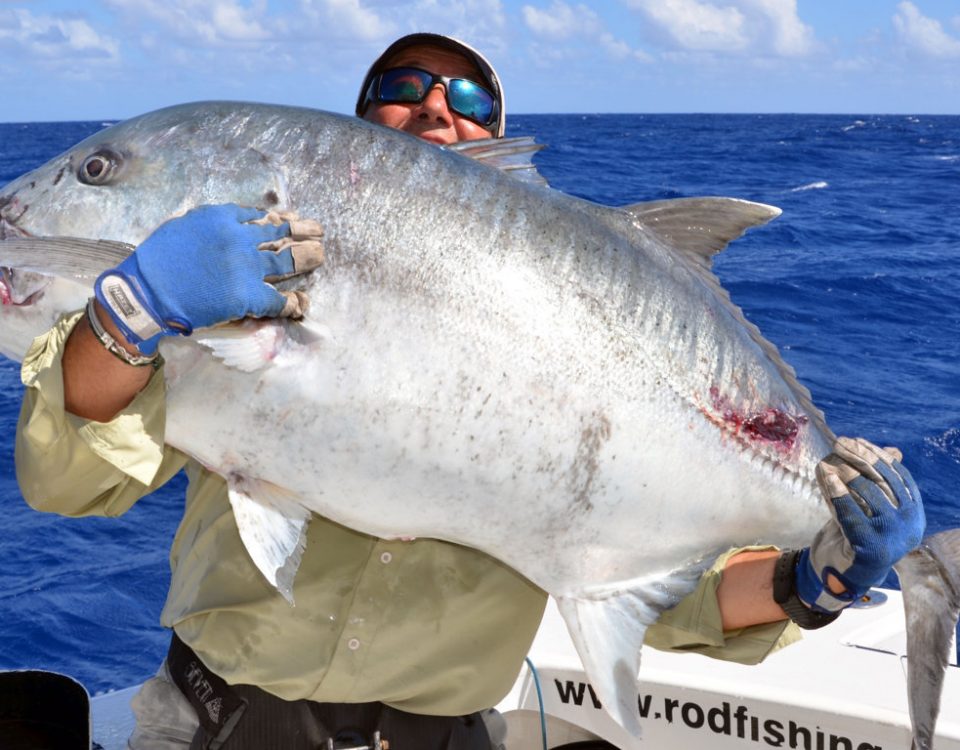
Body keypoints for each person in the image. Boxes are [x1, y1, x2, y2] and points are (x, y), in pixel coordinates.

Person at [14, 33, 924, 749]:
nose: (435, 108)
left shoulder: (558, 321)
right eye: (403, 89)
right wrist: (130, 313)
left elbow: (678, 595)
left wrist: (821, 580)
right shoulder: (184, 305)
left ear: (496, 137)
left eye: (469, 97)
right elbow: (72, 483)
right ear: (353, 128)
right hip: (216, 725)